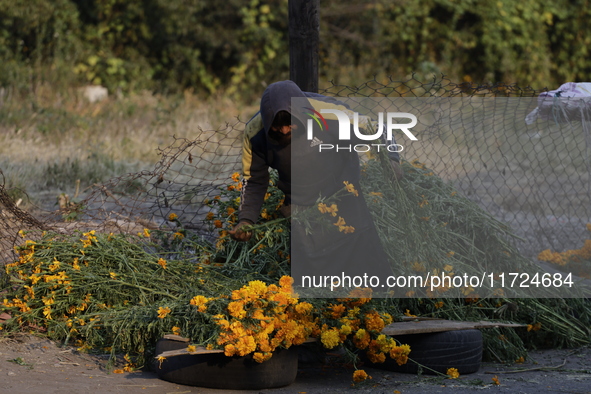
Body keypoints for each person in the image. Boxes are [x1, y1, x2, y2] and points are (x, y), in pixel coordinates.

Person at [229, 80, 402, 294]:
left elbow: (378, 129)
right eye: (276, 126)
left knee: (364, 260)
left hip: (343, 191)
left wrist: (391, 159)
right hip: (301, 204)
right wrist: (246, 219)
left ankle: (383, 303)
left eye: (289, 123)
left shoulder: (330, 115)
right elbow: (253, 180)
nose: (283, 130)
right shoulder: (255, 134)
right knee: (313, 279)